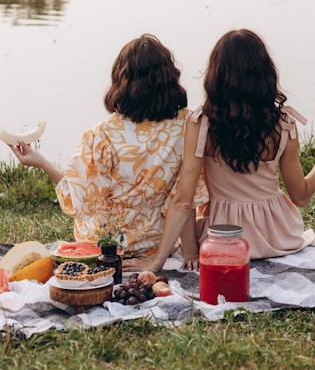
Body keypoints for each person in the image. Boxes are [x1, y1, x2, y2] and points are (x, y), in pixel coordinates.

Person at [123, 28, 315, 273]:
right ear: (265, 74)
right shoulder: (285, 124)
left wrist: (157, 263)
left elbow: (184, 200)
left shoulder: (201, 123)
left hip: (223, 238)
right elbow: (300, 196)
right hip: (280, 237)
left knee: (184, 218)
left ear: (215, 76)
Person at [9, 34, 207, 262]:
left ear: (122, 79)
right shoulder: (188, 125)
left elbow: (79, 202)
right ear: (169, 77)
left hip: (106, 244)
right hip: (157, 243)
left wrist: (41, 162)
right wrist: (190, 252)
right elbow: (186, 198)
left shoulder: (104, 134)